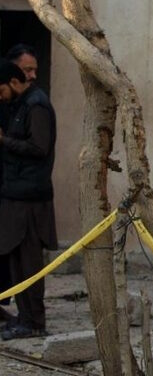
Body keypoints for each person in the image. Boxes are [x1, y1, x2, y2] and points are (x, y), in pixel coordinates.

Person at [0, 61, 58, 340]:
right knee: (16, 261)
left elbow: (39, 146)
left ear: (12, 82)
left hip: (30, 200)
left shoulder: (36, 106)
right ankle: (24, 318)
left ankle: (34, 321)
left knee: (29, 263)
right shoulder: (20, 105)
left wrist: (5, 141)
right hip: (16, 197)